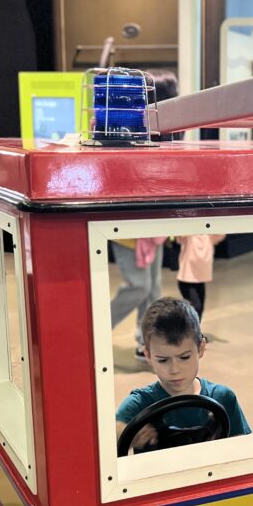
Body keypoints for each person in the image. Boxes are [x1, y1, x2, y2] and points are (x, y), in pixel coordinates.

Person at [116, 297, 250, 452]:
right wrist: (125, 433)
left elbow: (244, 448)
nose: (174, 370)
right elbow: (105, 437)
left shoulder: (223, 398)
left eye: (184, 357)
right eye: (163, 360)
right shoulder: (140, 404)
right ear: (148, 355)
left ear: (201, 348)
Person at [109, 70, 178, 361]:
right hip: (129, 231)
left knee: (154, 290)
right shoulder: (127, 132)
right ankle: (96, 329)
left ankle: (144, 343)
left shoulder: (168, 136)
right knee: (140, 287)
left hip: (153, 228)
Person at [177, 232, 225, 324]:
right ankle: (192, 334)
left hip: (200, 280)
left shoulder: (209, 237)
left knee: (200, 309)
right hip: (186, 281)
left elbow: (221, 233)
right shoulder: (189, 237)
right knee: (196, 308)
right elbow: (180, 236)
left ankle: (195, 333)